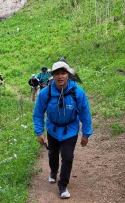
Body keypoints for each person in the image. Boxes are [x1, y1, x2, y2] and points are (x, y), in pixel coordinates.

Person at [32, 60, 92, 199]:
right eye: (57, 73)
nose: (60, 76)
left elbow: (84, 113)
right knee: (52, 153)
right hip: (52, 129)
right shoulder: (45, 93)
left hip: (70, 129)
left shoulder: (77, 92)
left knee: (67, 156)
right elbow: (38, 113)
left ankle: (62, 185)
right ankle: (53, 171)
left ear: (68, 75)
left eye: (63, 73)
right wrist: (39, 132)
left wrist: (86, 134)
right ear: (52, 76)